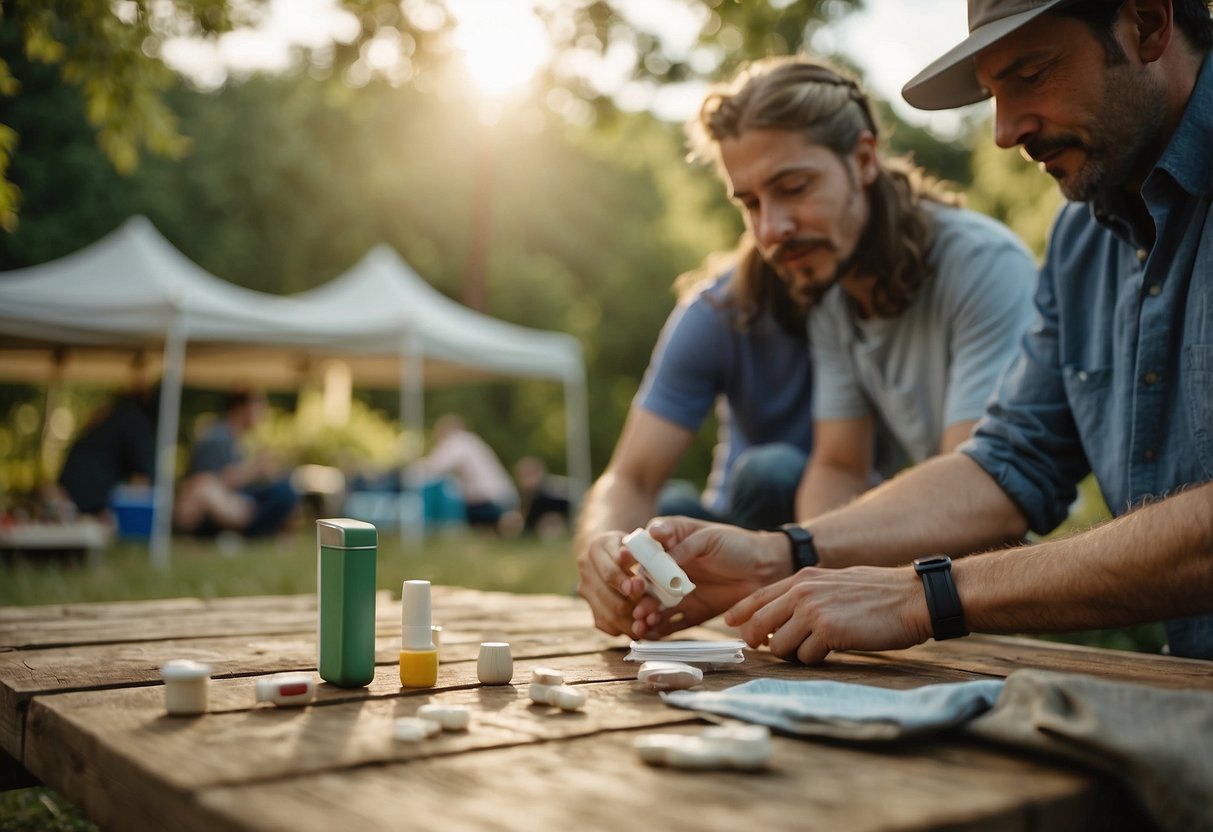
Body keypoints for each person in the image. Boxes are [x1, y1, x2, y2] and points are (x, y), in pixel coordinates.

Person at [616, 0, 1213, 664]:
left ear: (1149, 24)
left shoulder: (983, 259)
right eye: (992, 94)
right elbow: (1007, 465)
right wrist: (775, 553)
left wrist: (920, 595)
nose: (1003, 131)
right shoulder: (1080, 238)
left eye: (1033, 73)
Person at [577, 55, 1038, 636]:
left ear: (865, 159)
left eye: (794, 188)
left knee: (771, 472)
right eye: (749, 204)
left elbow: (979, 487)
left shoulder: (982, 267)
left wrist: (796, 557)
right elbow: (838, 463)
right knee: (697, 507)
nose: (771, 229)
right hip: (839, 542)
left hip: (996, 563)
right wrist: (814, 583)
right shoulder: (831, 286)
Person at [173, 389, 298, 538]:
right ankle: (252, 534)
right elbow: (205, 483)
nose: (263, 412)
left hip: (235, 500)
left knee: (285, 487)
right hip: (217, 508)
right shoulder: (218, 438)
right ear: (241, 408)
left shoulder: (237, 438)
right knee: (284, 494)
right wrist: (254, 469)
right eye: (259, 406)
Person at [55, 388, 156, 516]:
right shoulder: (134, 419)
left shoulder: (110, 416)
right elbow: (143, 475)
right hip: (93, 496)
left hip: (71, 489)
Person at [410, 414, 518, 528]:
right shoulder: (472, 441)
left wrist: (409, 471)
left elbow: (435, 467)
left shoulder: (458, 442)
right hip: (504, 497)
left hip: (488, 501)